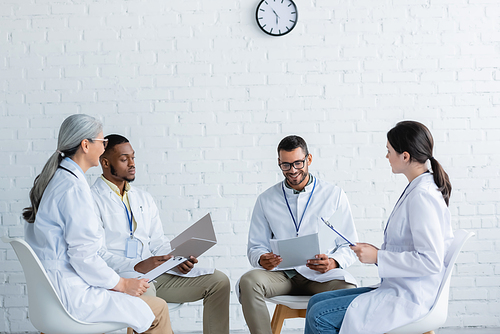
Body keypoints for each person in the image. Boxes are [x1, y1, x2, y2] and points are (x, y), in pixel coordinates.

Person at [23, 114, 172, 334]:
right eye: (102, 142)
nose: (104, 147)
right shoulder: (74, 189)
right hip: (72, 298)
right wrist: (122, 284)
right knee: (157, 309)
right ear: (85, 145)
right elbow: (83, 256)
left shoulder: (60, 180)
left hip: (56, 293)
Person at [304, 121, 454, 334]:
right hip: (399, 288)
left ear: (405, 156)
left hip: (412, 298)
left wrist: (378, 257)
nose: (386, 156)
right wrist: (376, 253)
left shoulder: (422, 196)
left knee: (320, 315)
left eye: (389, 151)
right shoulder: (418, 188)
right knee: (316, 303)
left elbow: (431, 261)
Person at [90, 134, 230, 334]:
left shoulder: (143, 198)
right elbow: (96, 255)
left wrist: (177, 258)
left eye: (133, 157)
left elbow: (157, 242)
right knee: (148, 299)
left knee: (219, 281)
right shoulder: (90, 200)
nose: (132, 164)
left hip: (155, 274)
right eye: (124, 159)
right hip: (123, 278)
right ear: (105, 162)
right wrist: (137, 265)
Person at [239, 135, 359, 334]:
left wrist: (333, 262)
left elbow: (349, 244)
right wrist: (262, 259)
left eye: (298, 163)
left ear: (309, 160)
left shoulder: (334, 195)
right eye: (286, 165)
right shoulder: (266, 199)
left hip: (321, 275)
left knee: (348, 291)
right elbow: (255, 246)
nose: (293, 170)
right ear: (279, 163)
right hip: (282, 276)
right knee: (248, 282)